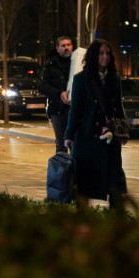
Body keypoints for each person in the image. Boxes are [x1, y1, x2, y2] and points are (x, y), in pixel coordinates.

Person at [64, 39, 128, 207]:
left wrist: (123, 131)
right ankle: (82, 217)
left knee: (115, 182)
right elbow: (75, 109)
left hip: (110, 137)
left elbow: (118, 105)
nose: (105, 57)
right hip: (87, 137)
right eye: (101, 53)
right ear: (93, 56)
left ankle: (116, 219)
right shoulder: (81, 79)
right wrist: (69, 135)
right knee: (84, 184)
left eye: (108, 53)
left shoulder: (114, 77)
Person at [39, 36, 74, 153]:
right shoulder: (50, 64)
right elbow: (42, 86)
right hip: (58, 110)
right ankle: (61, 165)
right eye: (63, 45)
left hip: (75, 109)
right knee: (61, 144)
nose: (66, 48)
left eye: (68, 45)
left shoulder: (77, 63)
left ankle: (75, 165)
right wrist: (59, 94)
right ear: (57, 48)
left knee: (75, 144)